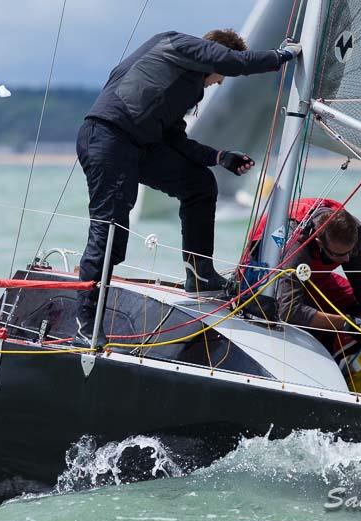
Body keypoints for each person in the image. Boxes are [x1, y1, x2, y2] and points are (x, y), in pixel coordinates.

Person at [74, 28, 302, 346]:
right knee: (110, 233)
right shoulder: (174, 43)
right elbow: (233, 62)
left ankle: (200, 274)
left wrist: (220, 157)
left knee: (199, 184)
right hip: (108, 137)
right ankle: (86, 323)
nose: (218, 83)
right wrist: (281, 57)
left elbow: (175, 140)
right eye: (219, 77)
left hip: (139, 146)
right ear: (213, 55)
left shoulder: (185, 84)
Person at [265, 198, 361, 354]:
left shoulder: (356, 232)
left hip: (316, 278)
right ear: (319, 243)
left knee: (358, 308)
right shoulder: (297, 242)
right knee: (314, 325)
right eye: (339, 254)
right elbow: (288, 310)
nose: (347, 259)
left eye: (350, 251)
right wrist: (346, 324)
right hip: (270, 281)